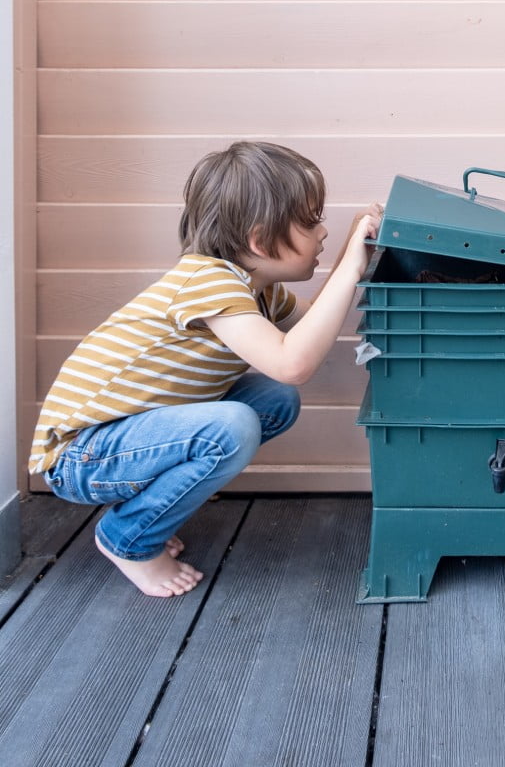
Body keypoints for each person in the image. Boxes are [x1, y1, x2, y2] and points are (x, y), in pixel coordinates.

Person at [28, 141, 382, 598]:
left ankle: (151, 509)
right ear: (258, 239)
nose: (323, 232)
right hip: (80, 455)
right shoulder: (208, 281)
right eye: (312, 220)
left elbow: (312, 321)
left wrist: (354, 254)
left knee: (274, 401)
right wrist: (352, 266)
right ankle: (128, 539)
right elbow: (293, 362)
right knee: (231, 425)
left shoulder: (258, 288)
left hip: (122, 441)